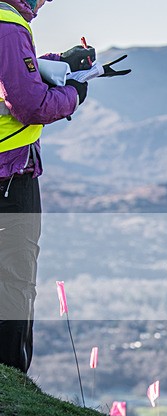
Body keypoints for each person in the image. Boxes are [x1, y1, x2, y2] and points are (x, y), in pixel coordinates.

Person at [0, 0, 93, 373]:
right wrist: (74, 93)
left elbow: (14, 74)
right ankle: (11, 378)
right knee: (15, 281)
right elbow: (29, 104)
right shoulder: (8, 25)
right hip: (9, 176)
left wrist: (61, 61)